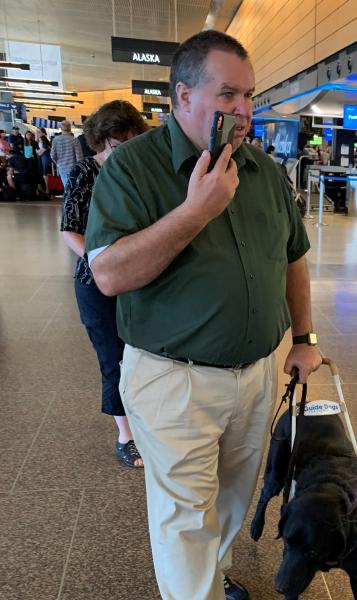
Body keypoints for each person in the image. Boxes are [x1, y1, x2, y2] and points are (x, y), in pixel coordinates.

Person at [85, 30, 322, 600]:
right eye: (228, 95)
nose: (243, 109)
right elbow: (109, 274)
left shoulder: (263, 172)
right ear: (182, 97)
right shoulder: (133, 169)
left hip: (257, 373)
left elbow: (292, 256)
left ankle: (209, 580)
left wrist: (305, 336)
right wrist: (195, 212)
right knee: (185, 515)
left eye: (249, 95)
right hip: (174, 379)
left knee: (235, 497)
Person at [61, 100, 148, 468]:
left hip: (138, 281)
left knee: (141, 357)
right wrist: (102, 263)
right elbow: (69, 231)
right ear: (100, 142)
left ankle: (146, 423)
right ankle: (125, 435)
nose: (123, 151)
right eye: (116, 144)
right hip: (96, 283)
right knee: (113, 358)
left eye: (130, 142)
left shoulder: (139, 174)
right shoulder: (85, 173)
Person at [50, 120, 83, 187]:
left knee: (67, 188)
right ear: (70, 128)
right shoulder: (75, 140)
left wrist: (59, 163)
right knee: (74, 189)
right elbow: (79, 158)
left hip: (62, 169)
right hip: (73, 169)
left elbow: (52, 155)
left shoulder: (55, 140)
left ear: (61, 128)